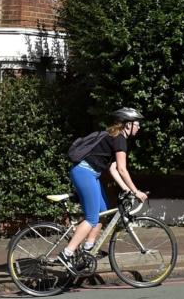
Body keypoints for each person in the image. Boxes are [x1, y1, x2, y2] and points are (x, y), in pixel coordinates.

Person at [57, 107, 148, 269]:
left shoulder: (115, 137)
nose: (139, 127)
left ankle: (87, 251)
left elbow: (113, 169)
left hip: (89, 173)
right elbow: (122, 169)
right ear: (127, 125)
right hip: (84, 173)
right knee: (92, 218)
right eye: (137, 124)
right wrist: (135, 191)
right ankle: (67, 253)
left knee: (102, 213)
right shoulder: (120, 139)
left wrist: (125, 189)